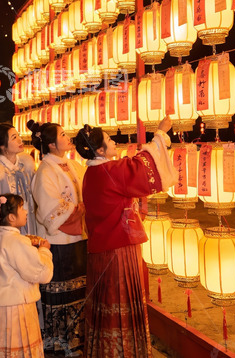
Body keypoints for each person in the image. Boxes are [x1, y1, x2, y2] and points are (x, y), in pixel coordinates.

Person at [76, 118, 178, 357]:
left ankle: (105, 349)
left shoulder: (93, 172)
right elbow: (141, 167)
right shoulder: (108, 171)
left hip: (104, 247)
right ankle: (124, 351)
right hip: (118, 247)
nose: (114, 142)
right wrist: (160, 134)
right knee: (120, 298)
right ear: (100, 150)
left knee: (106, 301)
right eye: (109, 140)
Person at [28, 120, 87, 356]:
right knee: (60, 294)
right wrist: (80, 209)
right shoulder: (45, 171)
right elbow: (50, 210)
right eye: (63, 134)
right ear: (52, 145)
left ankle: (78, 341)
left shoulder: (73, 165)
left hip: (77, 239)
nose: (68, 136)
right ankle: (59, 346)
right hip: (60, 242)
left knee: (79, 291)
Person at [0, 194, 53, 358]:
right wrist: (44, 250)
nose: (26, 211)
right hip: (16, 310)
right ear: (12, 217)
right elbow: (42, 272)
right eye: (22, 208)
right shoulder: (16, 242)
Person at [0, 123, 39, 235]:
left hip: (29, 223)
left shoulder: (25, 166)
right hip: (7, 232)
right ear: (2, 146)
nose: (20, 140)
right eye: (14, 137)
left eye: (18, 135)